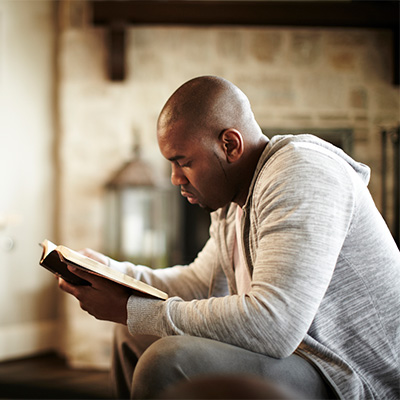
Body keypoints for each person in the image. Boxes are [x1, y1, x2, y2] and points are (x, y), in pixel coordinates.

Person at [59, 76, 400, 400]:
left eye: (184, 162)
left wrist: (134, 310)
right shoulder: (233, 200)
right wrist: (114, 274)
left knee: (166, 358)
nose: (176, 178)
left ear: (230, 145)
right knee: (132, 336)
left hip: (351, 377)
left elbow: (273, 324)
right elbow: (199, 283)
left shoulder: (301, 172)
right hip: (304, 358)